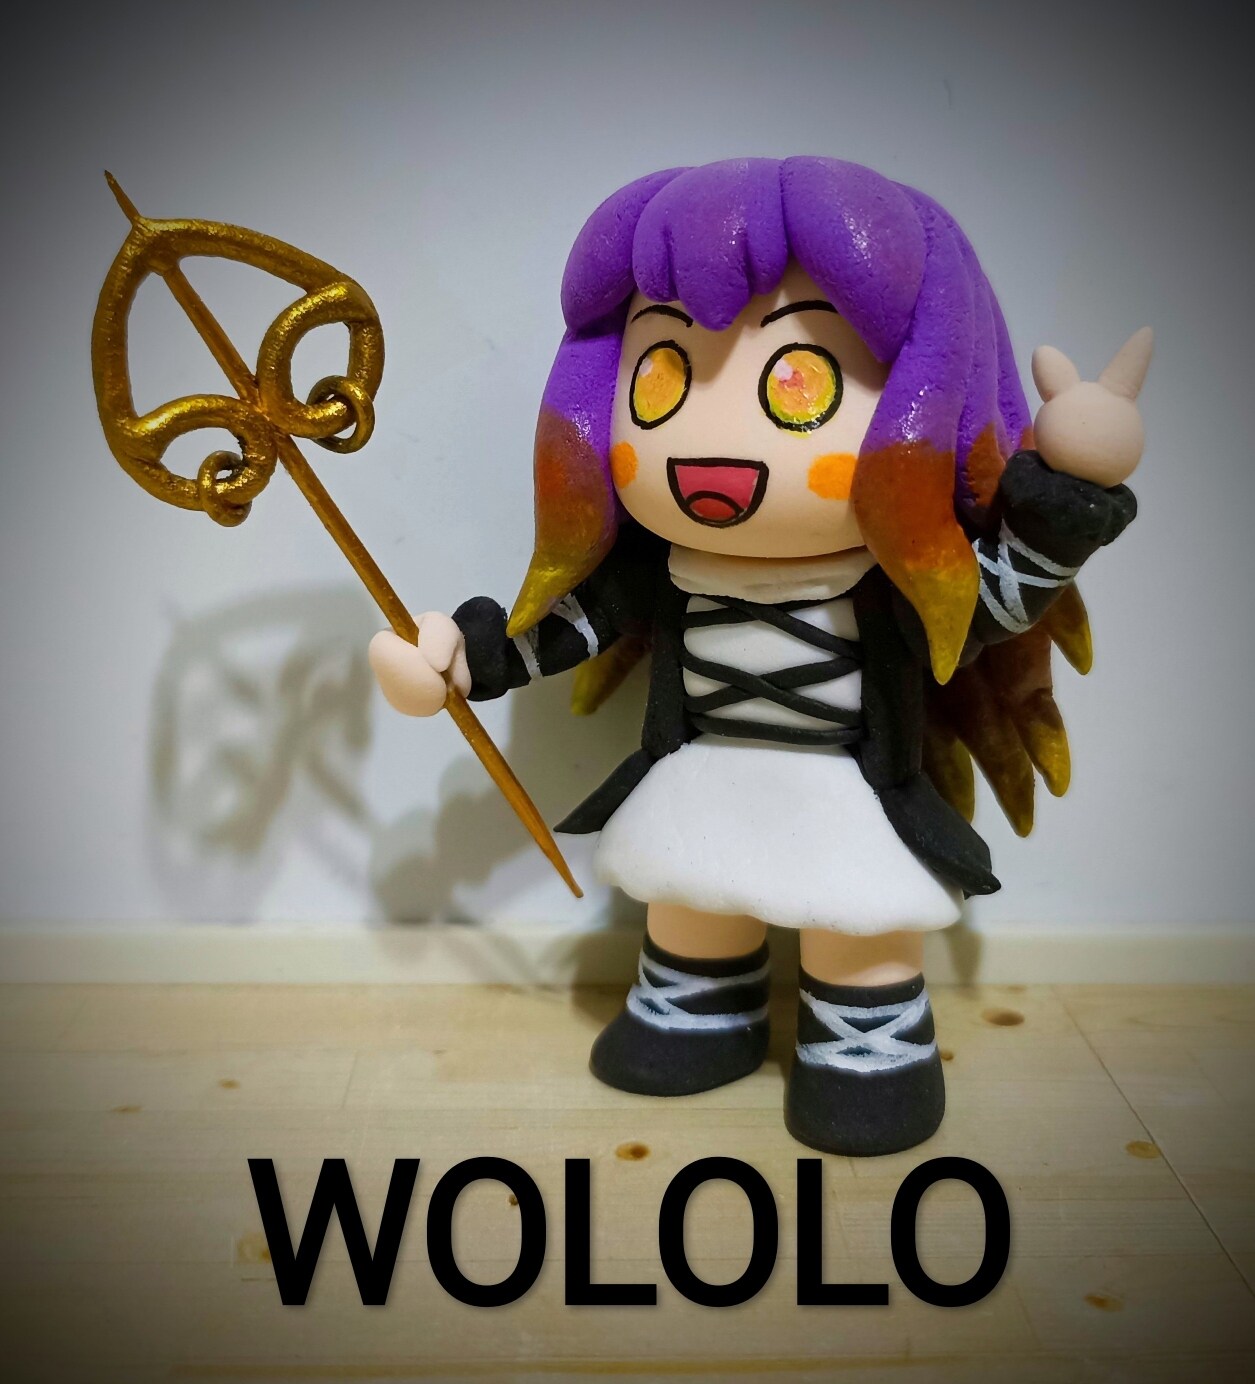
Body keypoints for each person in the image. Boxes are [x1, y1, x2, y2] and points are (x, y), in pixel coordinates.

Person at [370, 158, 1148, 1155]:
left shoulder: (899, 584)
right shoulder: (664, 569)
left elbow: (995, 601)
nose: (710, 443)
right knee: (692, 908)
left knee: (858, 931)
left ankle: (865, 1045)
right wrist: (458, 662)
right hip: (702, 788)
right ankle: (697, 1013)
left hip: (850, 799)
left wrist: (1065, 495)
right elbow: (566, 627)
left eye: (799, 383)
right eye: (661, 375)